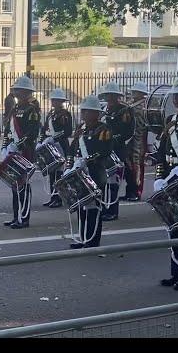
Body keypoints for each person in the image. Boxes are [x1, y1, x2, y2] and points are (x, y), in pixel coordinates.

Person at [63, 95, 112, 249]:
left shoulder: (103, 130)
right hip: (80, 174)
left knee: (93, 210)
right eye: (83, 111)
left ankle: (93, 240)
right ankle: (84, 238)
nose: (83, 114)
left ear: (96, 113)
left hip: (95, 174)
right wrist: (69, 166)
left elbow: (104, 151)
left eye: (87, 111)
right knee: (81, 208)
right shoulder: (81, 129)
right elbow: (72, 149)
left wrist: (87, 160)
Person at [153, 75, 178, 291]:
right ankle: (177, 272)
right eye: (176, 96)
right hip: (172, 180)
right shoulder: (172, 122)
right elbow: (161, 155)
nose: (176, 100)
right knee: (173, 228)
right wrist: (159, 178)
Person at [1, 75, 41, 229]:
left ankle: (24, 218)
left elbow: (32, 133)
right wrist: (5, 147)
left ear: (26, 92)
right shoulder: (15, 108)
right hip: (13, 151)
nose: (16, 93)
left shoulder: (32, 110)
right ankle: (16, 216)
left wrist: (18, 145)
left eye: (18, 90)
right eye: (15, 90)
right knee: (14, 185)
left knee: (23, 184)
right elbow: (7, 131)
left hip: (24, 152)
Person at [99, 81, 134, 221]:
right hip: (105, 151)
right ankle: (105, 208)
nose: (109, 98)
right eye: (108, 95)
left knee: (113, 182)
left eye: (112, 96)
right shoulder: (104, 110)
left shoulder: (124, 110)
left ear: (117, 96)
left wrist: (114, 140)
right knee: (103, 182)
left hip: (117, 150)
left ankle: (113, 210)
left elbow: (128, 131)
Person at [37, 88, 73, 208]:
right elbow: (44, 129)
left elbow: (67, 131)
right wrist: (41, 141)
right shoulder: (50, 114)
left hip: (60, 146)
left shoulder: (65, 114)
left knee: (59, 173)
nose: (53, 102)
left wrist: (54, 137)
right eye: (52, 100)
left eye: (56, 100)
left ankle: (59, 197)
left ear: (60, 101)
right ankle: (53, 196)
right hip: (50, 145)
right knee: (52, 172)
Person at [121, 81, 148, 201]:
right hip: (130, 140)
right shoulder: (133, 105)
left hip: (138, 140)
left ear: (141, 93)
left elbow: (138, 126)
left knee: (136, 166)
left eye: (136, 92)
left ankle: (137, 191)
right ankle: (130, 190)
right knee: (129, 165)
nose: (133, 93)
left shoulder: (142, 107)